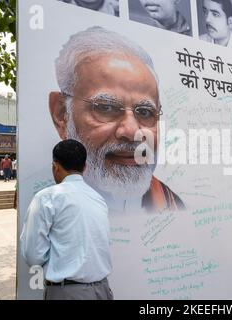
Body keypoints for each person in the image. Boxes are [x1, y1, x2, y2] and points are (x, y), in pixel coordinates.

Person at [49, 26, 185, 214]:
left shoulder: (172, 205)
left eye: (145, 112)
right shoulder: (50, 206)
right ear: (61, 113)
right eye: (106, 108)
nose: (131, 132)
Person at [20, 139, 113, 300]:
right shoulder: (98, 199)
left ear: (55, 166)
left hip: (67, 293)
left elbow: (33, 256)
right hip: (102, 291)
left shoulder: (46, 198)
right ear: (85, 167)